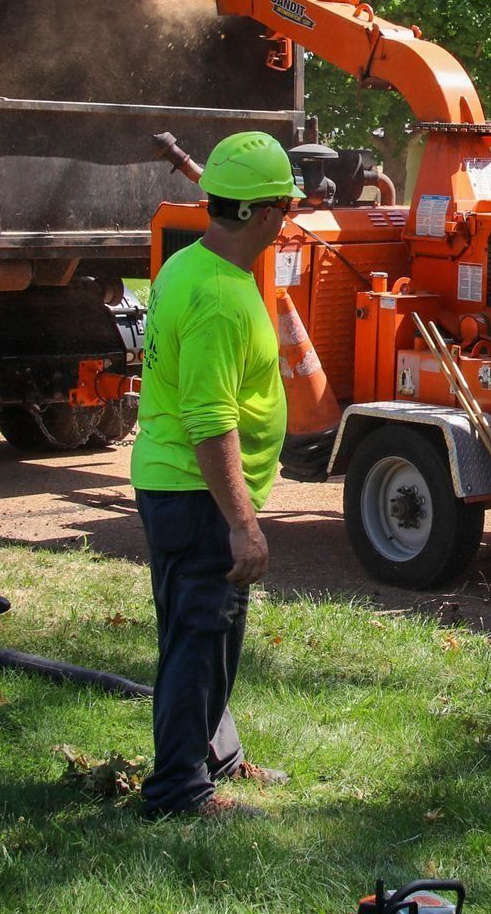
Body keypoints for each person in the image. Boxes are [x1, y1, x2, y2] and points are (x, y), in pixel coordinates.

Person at [130, 130, 303, 818]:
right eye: (284, 207)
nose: (286, 218)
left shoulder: (189, 266)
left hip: (178, 489)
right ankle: (179, 790)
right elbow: (209, 421)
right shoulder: (221, 301)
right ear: (263, 215)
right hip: (196, 495)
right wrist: (242, 523)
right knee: (200, 639)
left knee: (206, 632)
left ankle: (216, 757)